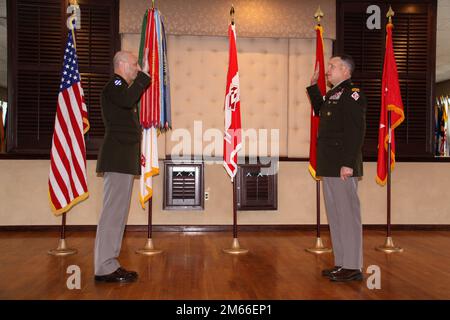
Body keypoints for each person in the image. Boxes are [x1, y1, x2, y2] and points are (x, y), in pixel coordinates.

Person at [306, 55, 367, 282]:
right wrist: (314, 87)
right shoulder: (334, 93)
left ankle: (353, 266)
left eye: (332, 66)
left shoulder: (353, 94)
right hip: (330, 164)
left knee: (348, 215)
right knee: (336, 215)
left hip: (342, 164)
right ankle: (342, 263)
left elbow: (355, 131)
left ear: (345, 70)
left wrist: (348, 163)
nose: (328, 70)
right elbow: (322, 111)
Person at [94, 51, 150, 283]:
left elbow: (126, 110)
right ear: (122, 65)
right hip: (117, 158)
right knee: (113, 215)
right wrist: (144, 77)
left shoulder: (119, 88)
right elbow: (128, 100)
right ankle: (105, 266)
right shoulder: (115, 84)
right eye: (135, 65)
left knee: (117, 215)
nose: (137, 68)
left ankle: (109, 263)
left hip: (122, 158)